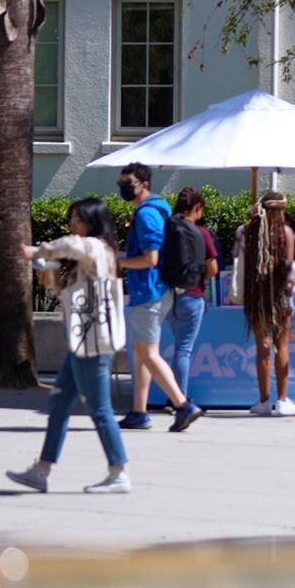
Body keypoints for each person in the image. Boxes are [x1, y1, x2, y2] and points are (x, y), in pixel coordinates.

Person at [6, 198, 133, 494]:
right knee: (60, 404)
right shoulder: (100, 253)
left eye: (77, 219)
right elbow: (69, 294)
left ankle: (119, 472)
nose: (72, 225)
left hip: (92, 343)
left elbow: (71, 244)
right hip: (84, 343)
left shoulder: (96, 247)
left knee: (100, 409)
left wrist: (37, 251)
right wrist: (48, 270)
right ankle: (42, 470)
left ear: (91, 221)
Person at [114, 162, 204, 432]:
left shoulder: (146, 215)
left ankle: (182, 404)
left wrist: (118, 262)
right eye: (122, 182)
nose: (123, 187)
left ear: (144, 184)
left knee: (148, 353)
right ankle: (139, 411)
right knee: (141, 353)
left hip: (149, 291)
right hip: (156, 291)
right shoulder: (158, 209)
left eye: (127, 182)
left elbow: (150, 258)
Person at [237, 190, 295, 416]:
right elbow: (289, 267)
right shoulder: (286, 233)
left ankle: (263, 400)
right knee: (282, 346)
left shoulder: (244, 232)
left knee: (262, 348)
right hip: (281, 297)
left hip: (255, 296)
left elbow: (238, 259)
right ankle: (282, 400)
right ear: (280, 210)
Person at [168, 187, 219, 400]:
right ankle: (180, 399)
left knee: (177, 346)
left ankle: (174, 395)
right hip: (193, 294)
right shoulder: (202, 233)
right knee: (183, 350)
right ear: (197, 207)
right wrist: (202, 278)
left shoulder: (168, 229)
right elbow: (213, 268)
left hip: (168, 296)